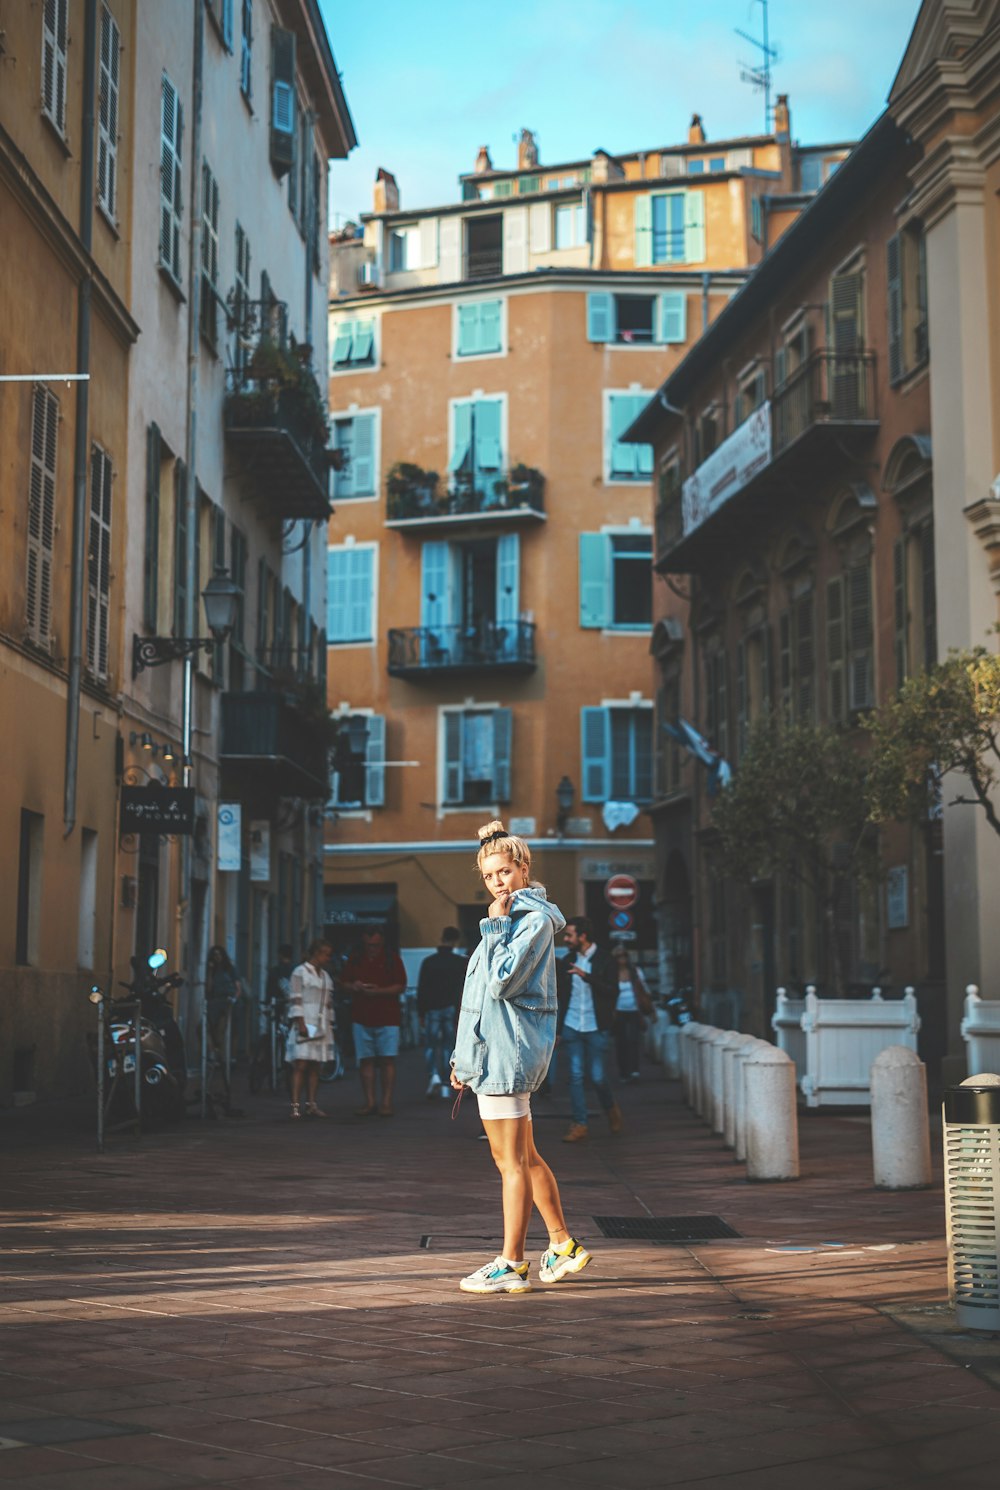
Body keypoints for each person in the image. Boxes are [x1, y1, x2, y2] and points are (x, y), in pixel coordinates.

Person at [450, 820, 592, 1295]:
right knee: (525, 1158)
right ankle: (562, 1245)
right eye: (490, 876)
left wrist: (493, 924)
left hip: (508, 1057)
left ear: (523, 869)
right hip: (496, 1054)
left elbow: (500, 984)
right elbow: (479, 1000)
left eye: (505, 872)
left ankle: (511, 1262)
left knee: (510, 1163)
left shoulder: (527, 921)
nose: (498, 883)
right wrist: (463, 1060)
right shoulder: (513, 917)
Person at [559, 917, 623, 1142]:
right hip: (572, 1024)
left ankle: (611, 1109)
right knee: (575, 1076)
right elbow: (561, 997)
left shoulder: (605, 959)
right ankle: (580, 1124)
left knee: (597, 1077)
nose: (566, 939)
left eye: (569, 935)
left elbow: (612, 991)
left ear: (582, 937)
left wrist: (586, 976)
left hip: (596, 1025)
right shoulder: (567, 960)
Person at [341, 925, 407, 1116]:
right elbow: (343, 983)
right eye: (369, 945)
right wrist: (354, 986)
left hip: (388, 1017)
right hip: (362, 1016)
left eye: (376, 945)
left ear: (382, 943)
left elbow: (400, 986)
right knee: (366, 1060)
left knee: (387, 1060)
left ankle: (386, 1102)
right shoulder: (355, 959)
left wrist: (378, 991)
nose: (373, 949)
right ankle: (370, 1102)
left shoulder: (392, 959)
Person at [287, 939, 335, 1118]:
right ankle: (295, 1105)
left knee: (316, 1065)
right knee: (301, 1063)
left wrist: (330, 1023)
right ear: (317, 953)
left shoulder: (325, 976)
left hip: (321, 1022)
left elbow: (329, 1001)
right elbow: (296, 998)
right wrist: (300, 1023)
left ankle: (311, 1103)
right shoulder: (299, 972)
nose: (328, 958)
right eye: (326, 954)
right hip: (306, 1018)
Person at [417, 927, 466, 1099]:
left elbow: (422, 988)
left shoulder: (429, 962)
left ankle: (434, 1075)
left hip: (431, 1007)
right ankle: (446, 1082)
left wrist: (421, 1012)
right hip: (450, 1007)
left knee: (430, 1045)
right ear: (455, 941)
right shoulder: (459, 962)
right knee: (448, 1046)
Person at [611, 942, 653, 1081]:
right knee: (621, 1042)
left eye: (624, 956)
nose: (621, 959)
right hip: (618, 1011)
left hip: (634, 1011)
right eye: (618, 956)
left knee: (634, 1040)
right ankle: (624, 1072)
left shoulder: (635, 972)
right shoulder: (612, 974)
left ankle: (634, 1070)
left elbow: (644, 989)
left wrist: (651, 1009)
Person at [204, 945, 244, 1057]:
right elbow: (209, 988)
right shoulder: (212, 970)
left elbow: (238, 987)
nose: (217, 957)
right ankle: (215, 1052)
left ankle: (229, 1056)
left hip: (229, 1001)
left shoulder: (230, 968)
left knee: (227, 1028)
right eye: (215, 955)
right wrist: (211, 971)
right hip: (216, 1002)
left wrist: (234, 999)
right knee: (210, 1027)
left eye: (219, 954)